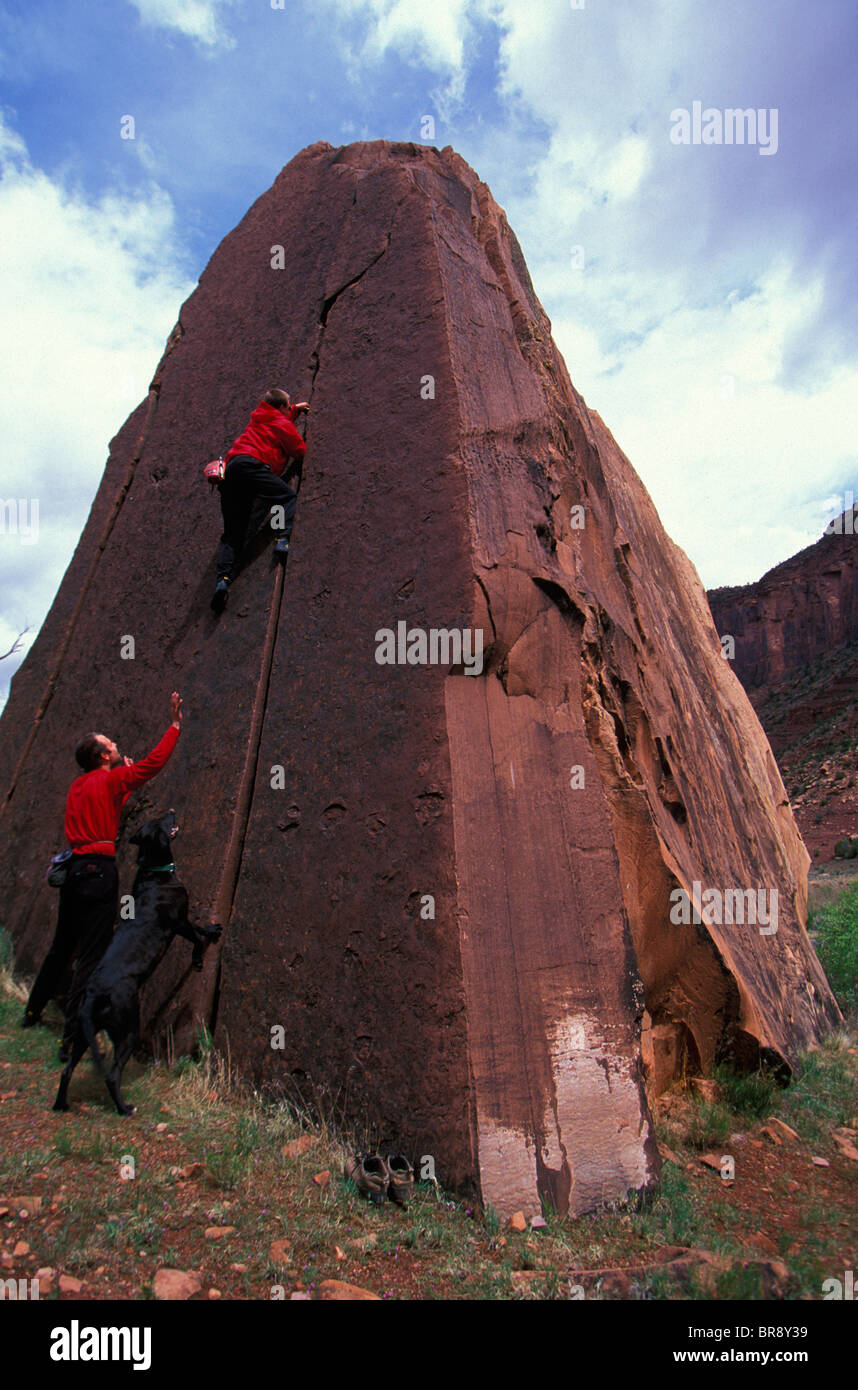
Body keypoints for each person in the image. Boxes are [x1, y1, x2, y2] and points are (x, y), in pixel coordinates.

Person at [21, 692, 184, 1059]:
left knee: (62, 946)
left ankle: (32, 1011)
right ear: (102, 756)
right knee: (91, 956)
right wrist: (174, 725)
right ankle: (72, 1038)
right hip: (100, 875)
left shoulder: (78, 787)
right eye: (109, 743)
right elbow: (152, 765)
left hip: (75, 871)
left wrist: (122, 786)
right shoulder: (110, 780)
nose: (114, 743)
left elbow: (103, 813)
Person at [211, 387, 309, 613]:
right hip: (252, 466)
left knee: (233, 533)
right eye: (289, 405)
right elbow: (299, 450)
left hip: (231, 471)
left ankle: (223, 580)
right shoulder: (282, 424)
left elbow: (273, 420)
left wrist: (294, 410)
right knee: (284, 497)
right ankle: (282, 538)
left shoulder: (258, 419)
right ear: (282, 407)